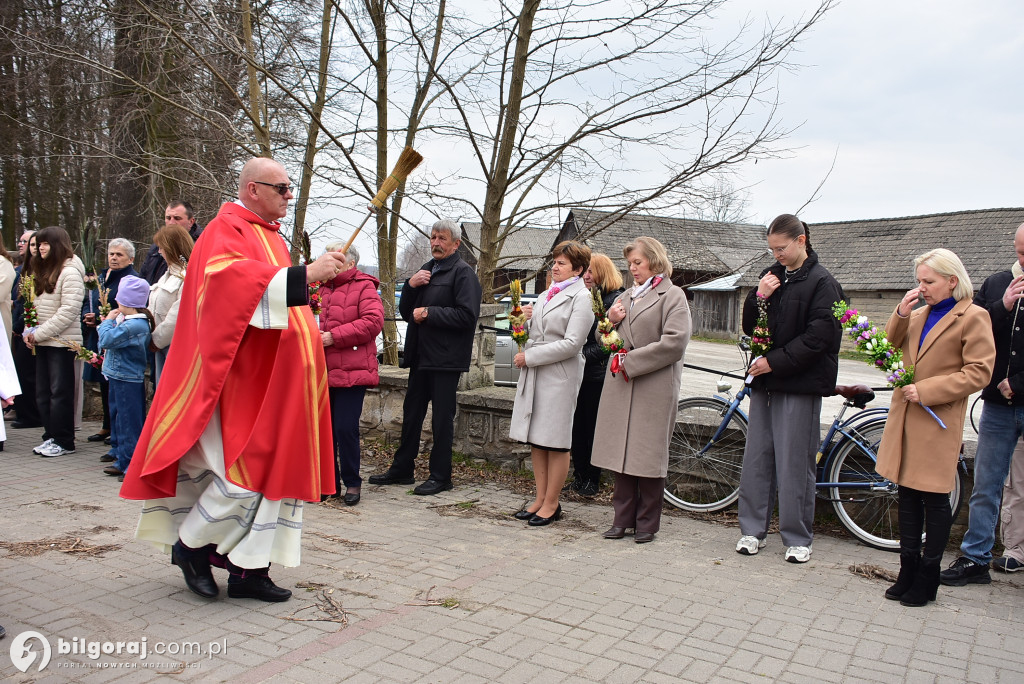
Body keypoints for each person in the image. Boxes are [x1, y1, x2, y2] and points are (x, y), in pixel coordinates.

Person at [120, 157, 346, 602]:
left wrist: (304, 278)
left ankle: (249, 572)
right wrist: (306, 276)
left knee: (274, 479)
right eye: (280, 187)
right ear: (251, 189)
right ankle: (189, 547)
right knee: (243, 478)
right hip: (240, 389)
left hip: (279, 388)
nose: (288, 195)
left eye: (289, 187)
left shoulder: (270, 237)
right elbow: (229, 291)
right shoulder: (227, 230)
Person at [876, 248, 994, 606]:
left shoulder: (973, 316)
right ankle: (907, 569)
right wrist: (900, 311)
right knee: (907, 494)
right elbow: (889, 344)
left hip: (937, 418)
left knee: (934, 496)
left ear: (951, 281)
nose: (922, 287)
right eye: (919, 281)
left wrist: (926, 390)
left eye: (929, 281)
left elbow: (979, 371)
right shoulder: (920, 313)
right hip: (906, 417)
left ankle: (928, 578)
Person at [735, 214, 843, 563]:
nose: (776, 254)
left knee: (795, 464)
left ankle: (798, 538)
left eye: (781, 248)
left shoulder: (823, 282)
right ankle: (752, 531)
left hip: (799, 384)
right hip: (766, 383)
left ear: (801, 241)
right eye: (772, 248)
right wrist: (757, 296)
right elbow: (752, 326)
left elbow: (820, 337)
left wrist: (775, 361)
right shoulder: (772, 275)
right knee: (758, 459)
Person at [937, 224, 1024, 587]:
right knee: (987, 484)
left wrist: (1017, 383)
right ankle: (975, 557)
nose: (1023, 261)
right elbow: (977, 331)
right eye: (1020, 252)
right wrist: (1003, 305)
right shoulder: (997, 282)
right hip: (998, 406)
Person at [368, 220, 482, 495]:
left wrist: (429, 312)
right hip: (421, 356)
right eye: (432, 237)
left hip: (445, 359)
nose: (435, 243)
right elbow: (408, 312)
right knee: (411, 415)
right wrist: (409, 285)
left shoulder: (463, 274)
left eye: (442, 238)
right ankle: (402, 469)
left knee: (441, 419)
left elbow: (467, 317)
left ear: (455, 244)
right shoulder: (427, 270)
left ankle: (441, 476)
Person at [592, 237, 691, 543]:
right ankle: (622, 520)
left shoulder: (673, 296)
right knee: (620, 453)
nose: (632, 269)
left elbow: (675, 342)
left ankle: (647, 523)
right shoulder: (626, 296)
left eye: (638, 262)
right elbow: (602, 338)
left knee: (647, 455)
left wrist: (631, 361)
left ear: (655, 260)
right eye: (630, 264)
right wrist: (608, 321)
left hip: (653, 385)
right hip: (621, 385)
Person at [509, 241, 593, 525]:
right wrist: (521, 322)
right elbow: (533, 334)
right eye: (554, 262)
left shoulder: (582, 298)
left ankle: (553, 503)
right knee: (538, 439)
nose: (554, 267)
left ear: (578, 269)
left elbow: (572, 344)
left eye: (561, 263)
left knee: (556, 442)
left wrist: (530, 356)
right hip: (537, 373)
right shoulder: (546, 294)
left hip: (560, 377)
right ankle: (540, 497)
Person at [319, 243, 384, 506]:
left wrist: (333, 337)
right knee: (323, 431)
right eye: (328, 256)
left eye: (337, 258)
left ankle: (352, 482)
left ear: (351, 264)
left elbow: (372, 322)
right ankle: (328, 483)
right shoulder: (318, 287)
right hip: (320, 371)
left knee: (345, 428)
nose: (331, 262)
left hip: (351, 371)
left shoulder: (364, 286)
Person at [24, 226, 86, 457]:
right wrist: (28, 331)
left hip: (61, 342)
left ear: (58, 245)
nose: (40, 248)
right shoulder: (44, 270)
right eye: (38, 243)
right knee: (43, 393)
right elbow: (36, 307)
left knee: (60, 393)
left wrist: (38, 334)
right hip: (43, 341)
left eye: (46, 243)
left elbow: (69, 311)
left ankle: (64, 440)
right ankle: (50, 435)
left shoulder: (70, 272)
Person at [567, 252, 624, 496]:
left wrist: (579, 355)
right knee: (577, 429)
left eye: (591, 271)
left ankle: (592, 480)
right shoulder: (587, 297)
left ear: (603, 273)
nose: (586, 275)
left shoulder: (615, 300)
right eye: (585, 271)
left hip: (597, 375)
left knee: (591, 430)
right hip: (581, 372)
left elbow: (610, 343)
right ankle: (579, 477)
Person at [83, 238, 141, 445]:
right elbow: (89, 300)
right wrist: (89, 316)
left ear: (131, 259)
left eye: (119, 255)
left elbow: (129, 307)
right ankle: (107, 425)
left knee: (114, 384)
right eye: (111, 254)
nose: (114, 258)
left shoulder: (131, 279)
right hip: (98, 333)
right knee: (102, 380)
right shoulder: (100, 277)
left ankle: (116, 429)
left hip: (117, 334)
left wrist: (105, 319)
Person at [97, 276, 153, 480]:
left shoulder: (135, 325)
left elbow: (106, 339)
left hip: (127, 377)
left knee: (130, 422)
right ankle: (122, 458)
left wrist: (107, 322)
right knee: (119, 419)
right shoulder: (130, 321)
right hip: (118, 375)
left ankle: (132, 465)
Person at [148, 224, 193, 386]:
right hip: (161, 346)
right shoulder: (167, 275)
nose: (160, 252)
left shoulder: (187, 277)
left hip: (174, 348)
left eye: (162, 248)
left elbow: (178, 316)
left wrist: (156, 340)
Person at [11, 231, 40, 429]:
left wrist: (20, 324)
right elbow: (20, 301)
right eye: (30, 245)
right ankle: (23, 412)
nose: (33, 249)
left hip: (32, 327)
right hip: (20, 326)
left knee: (28, 372)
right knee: (21, 371)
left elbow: (34, 303)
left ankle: (31, 414)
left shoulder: (43, 271)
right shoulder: (24, 270)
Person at [140, 200, 203, 285]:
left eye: (177, 218)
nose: (172, 222)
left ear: (191, 221)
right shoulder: (157, 246)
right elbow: (144, 276)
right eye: (168, 218)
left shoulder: (201, 246)